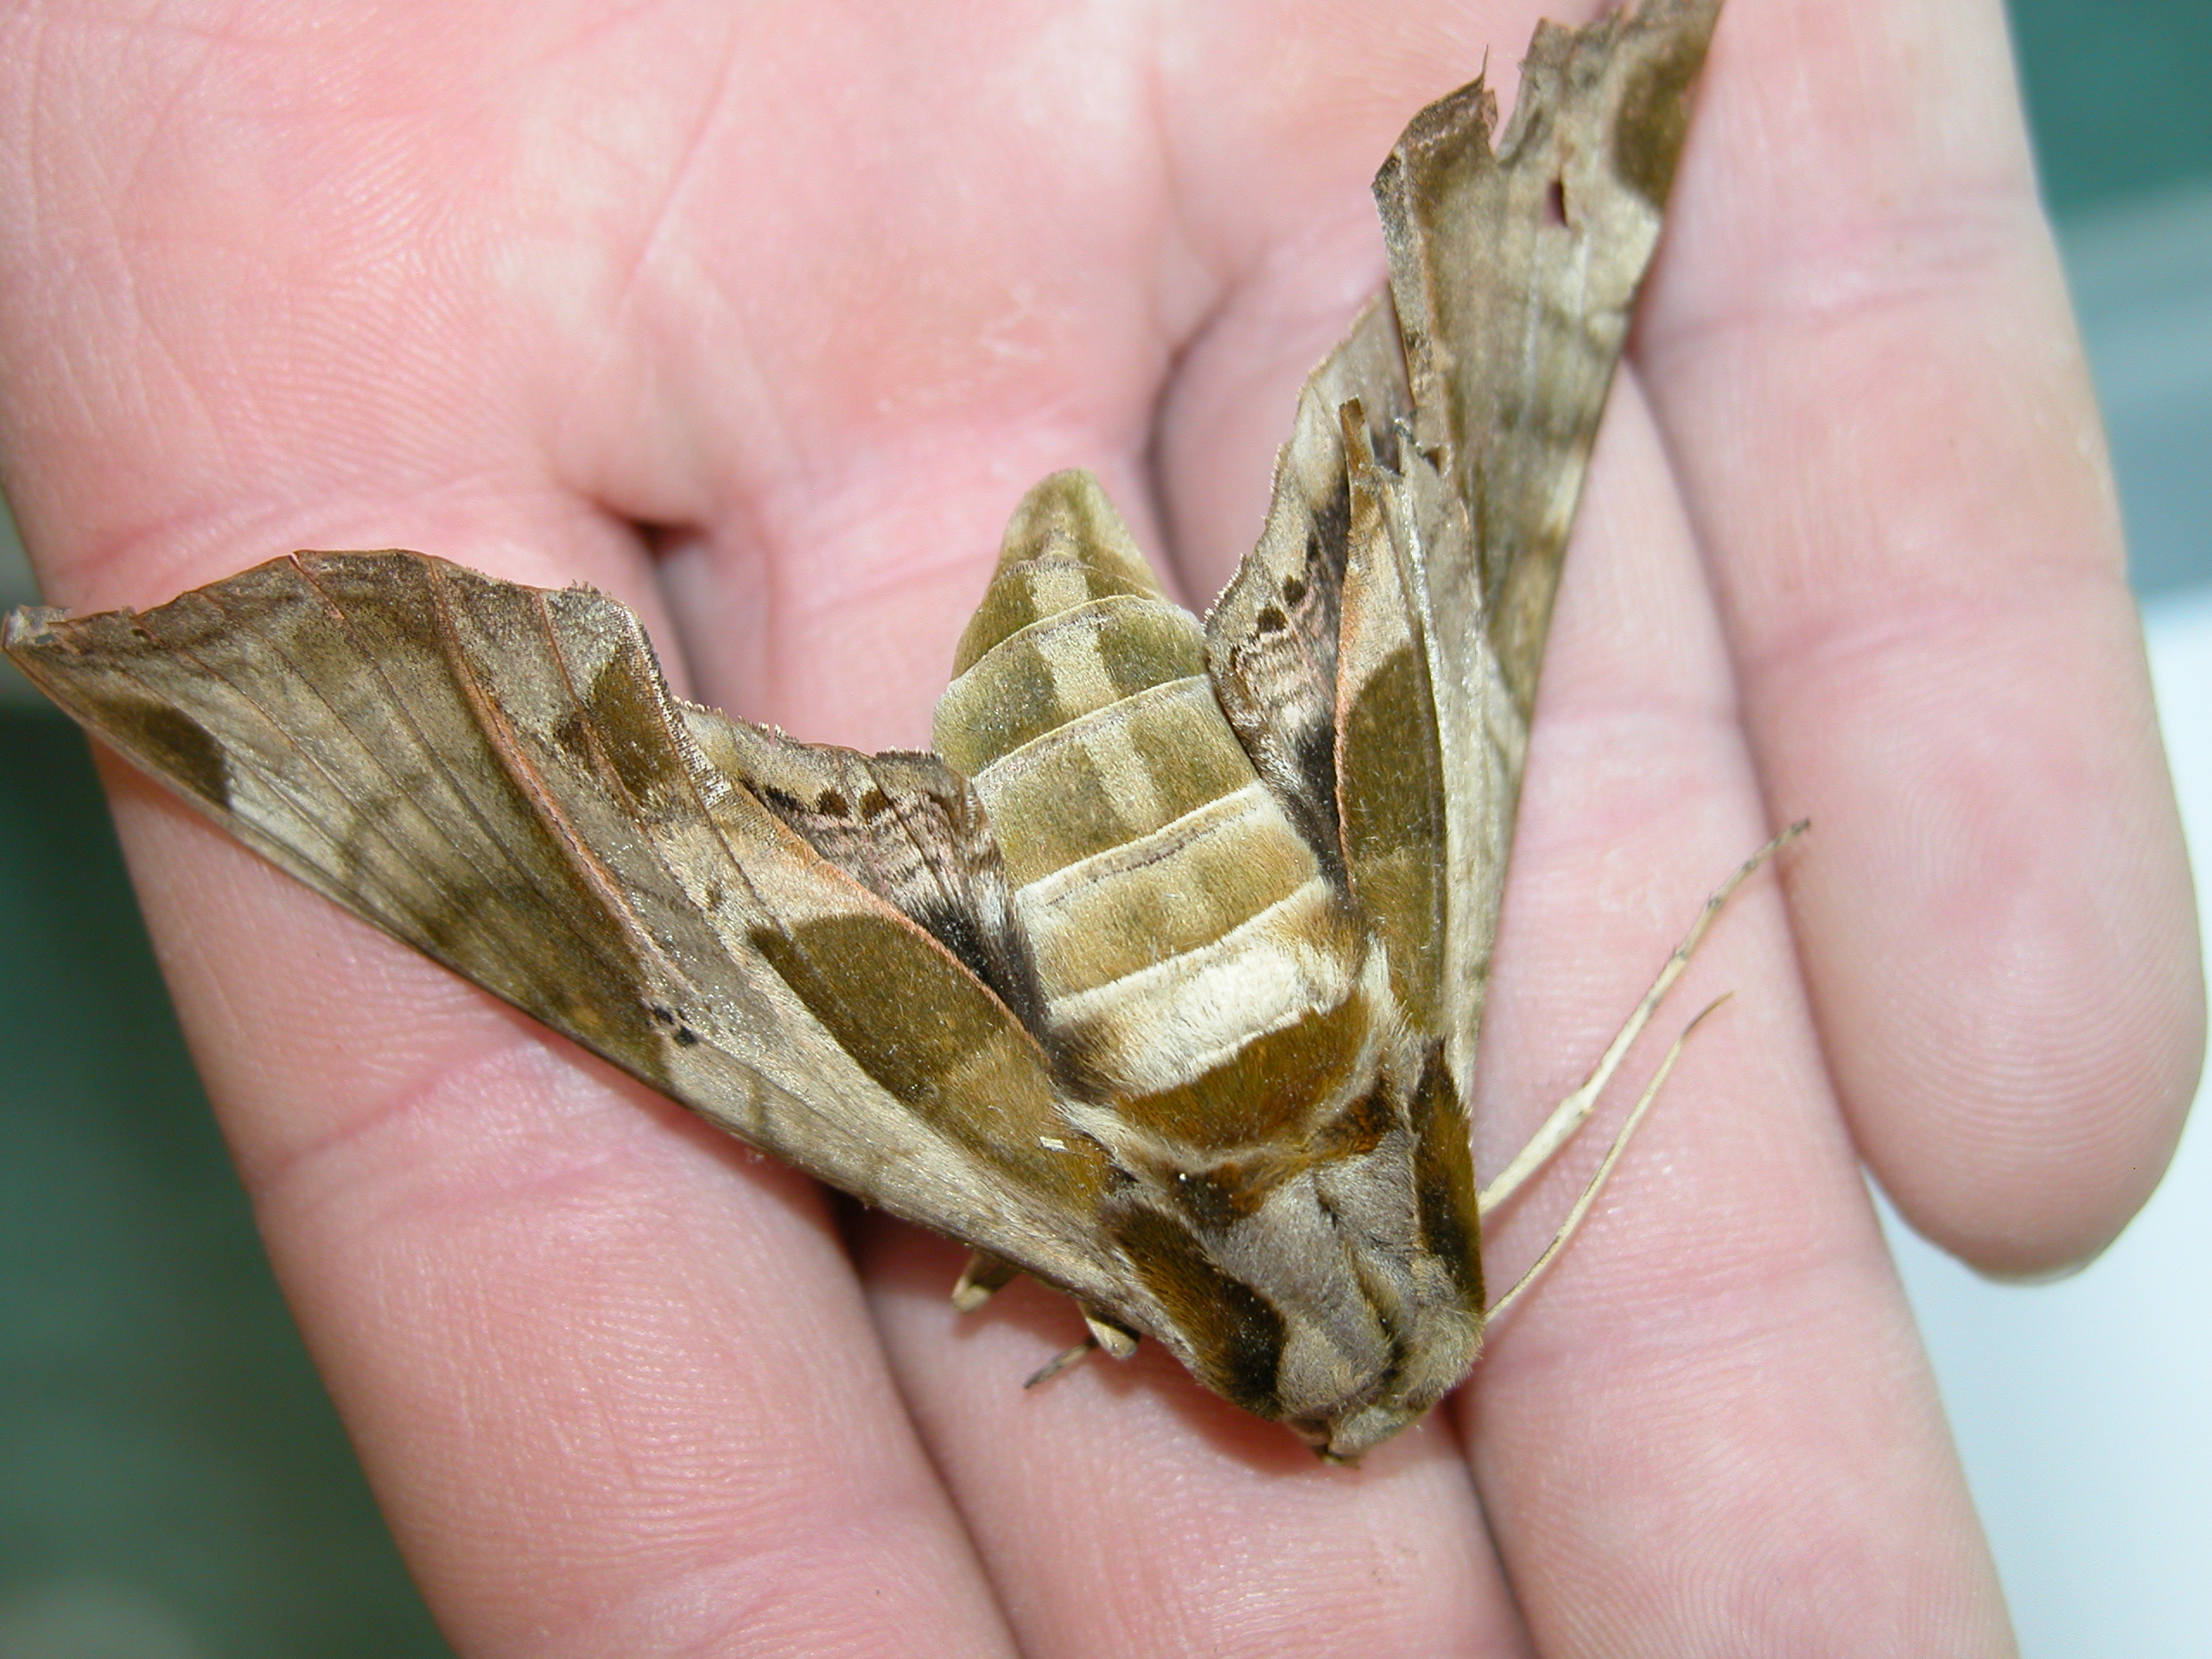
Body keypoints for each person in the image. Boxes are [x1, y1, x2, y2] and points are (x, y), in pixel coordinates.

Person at [0, 1, 2196, 1651]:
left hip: (1126, 828)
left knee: (633, 953)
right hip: (1147, 857)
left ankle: (262, 713)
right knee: (1485, 539)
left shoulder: (1256, 1105)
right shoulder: (1134, 1184)